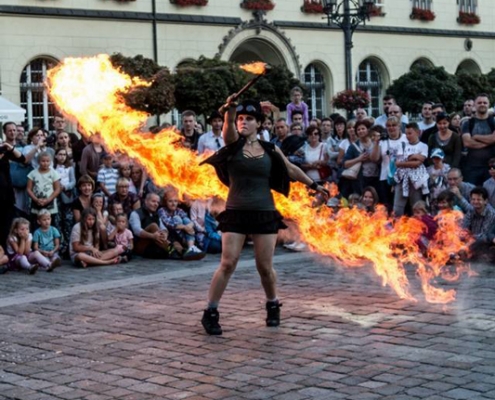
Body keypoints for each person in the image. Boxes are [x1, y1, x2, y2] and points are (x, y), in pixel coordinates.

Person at [200, 99, 328, 335]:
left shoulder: (270, 149)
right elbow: (227, 125)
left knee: (265, 267)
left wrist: (314, 185)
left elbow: (290, 169)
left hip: (264, 213)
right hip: (236, 213)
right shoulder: (233, 145)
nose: (243, 122)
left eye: (249, 119)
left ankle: (273, 303)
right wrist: (229, 109)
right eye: (241, 118)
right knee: (227, 263)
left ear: (259, 124)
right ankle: (210, 312)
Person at [370, 116, 408, 211]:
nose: (391, 128)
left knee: (401, 207)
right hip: (385, 177)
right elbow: (374, 158)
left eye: (394, 125)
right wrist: (376, 142)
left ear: (399, 126)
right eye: (388, 126)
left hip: (402, 177)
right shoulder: (383, 140)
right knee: (387, 205)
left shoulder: (405, 138)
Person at [393, 123, 429, 217]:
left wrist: (405, 161)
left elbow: (418, 163)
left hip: (416, 181)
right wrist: (415, 157)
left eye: (410, 133)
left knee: (416, 207)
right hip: (402, 179)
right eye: (406, 133)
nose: (408, 136)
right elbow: (397, 163)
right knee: (397, 208)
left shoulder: (423, 146)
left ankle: (417, 228)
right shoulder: (401, 145)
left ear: (417, 132)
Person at [158, 189, 205, 260]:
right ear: (165, 202)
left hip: (183, 235)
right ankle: (188, 249)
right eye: (170, 201)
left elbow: (191, 222)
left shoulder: (179, 210)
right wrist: (185, 227)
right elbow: (168, 224)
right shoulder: (162, 210)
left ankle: (191, 248)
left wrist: (188, 227)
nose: (173, 204)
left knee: (186, 220)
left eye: (175, 201)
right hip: (170, 235)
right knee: (177, 218)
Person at [461, 94, 495, 185]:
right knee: (472, 194)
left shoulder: (493, 122)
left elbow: (494, 138)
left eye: (485, 102)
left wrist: (476, 137)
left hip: (491, 167)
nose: (482, 104)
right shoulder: (468, 123)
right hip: (472, 167)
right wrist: (490, 141)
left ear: (488, 105)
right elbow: (467, 143)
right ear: (475, 105)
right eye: (479, 102)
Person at [130, 192, 176, 259]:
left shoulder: (156, 215)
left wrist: (165, 233)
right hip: (138, 245)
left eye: (157, 202)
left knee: (170, 234)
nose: (156, 204)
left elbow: (163, 227)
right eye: (153, 201)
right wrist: (152, 236)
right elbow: (137, 230)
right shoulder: (135, 213)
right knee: (153, 226)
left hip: (154, 244)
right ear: (146, 201)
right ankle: (171, 250)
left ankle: (177, 250)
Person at [26, 152, 61, 229]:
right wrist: (36, 199)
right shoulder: (32, 173)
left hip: (50, 205)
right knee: (36, 226)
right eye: (43, 161)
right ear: (38, 161)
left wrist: (48, 199)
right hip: (36, 204)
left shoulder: (54, 173)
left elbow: (57, 189)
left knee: (51, 226)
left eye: (48, 161)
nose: (45, 163)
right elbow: (28, 189)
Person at [343, 120, 379, 195]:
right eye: (358, 130)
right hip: (361, 179)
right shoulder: (353, 146)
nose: (360, 131)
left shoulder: (375, 142)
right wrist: (359, 159)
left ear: (368, 130)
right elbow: (345, 163)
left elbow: (380, 158)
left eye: (363, 129)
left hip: (377, 177)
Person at [462, 187, 495, 261]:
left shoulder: (491, 213)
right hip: (471, 241)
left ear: (485, 201)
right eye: (473, 199)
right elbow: (464, 227)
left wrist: (468, 242)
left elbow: (485, 235)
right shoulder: (471, 211)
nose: (475, 202)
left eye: (479, 199)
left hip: (486, 244)